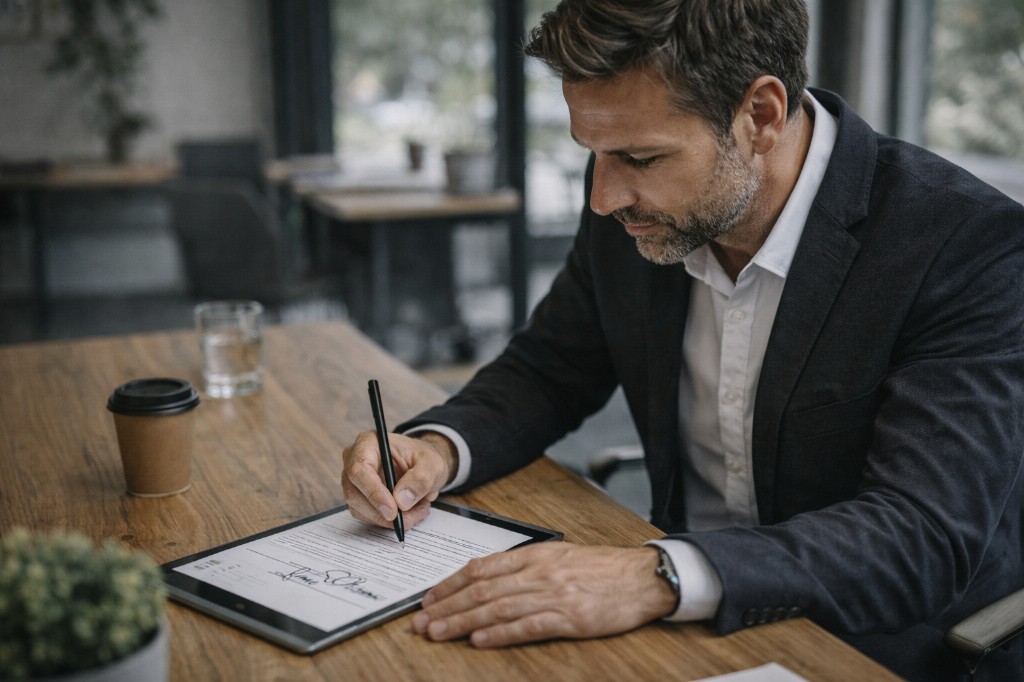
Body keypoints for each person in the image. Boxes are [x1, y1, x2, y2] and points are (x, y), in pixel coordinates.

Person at [341, 1, 1024, 679]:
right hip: (673, 623)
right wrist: (435, 448)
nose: (604, 197)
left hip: (871, 641)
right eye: (595, 154)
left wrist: (658, 574)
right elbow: (551, 368)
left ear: (761, 115)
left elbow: (920, 536)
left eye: (640, 156)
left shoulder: (967, 246)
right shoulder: (635, 198)